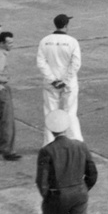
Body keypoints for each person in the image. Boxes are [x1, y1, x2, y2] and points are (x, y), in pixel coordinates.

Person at [35, 110, 96, 214]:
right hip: (79, 194)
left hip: (57, 196)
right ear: (67, 127)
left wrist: (47, 197)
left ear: (51, 130)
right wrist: (83, 188)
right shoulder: (80, 146)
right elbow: (92, 173)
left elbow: (42, 181)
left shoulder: (47, 151)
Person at [36, 15, 81, 143]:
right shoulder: (72, 42)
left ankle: (49, 144)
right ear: (66, 25)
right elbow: (75, 64)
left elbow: (41, 63)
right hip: (69, 84)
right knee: (70, 113)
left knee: (50, 113)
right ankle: (75, 142)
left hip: (50, 84)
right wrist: (65, 80)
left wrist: (53, 80)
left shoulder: (45, 41)